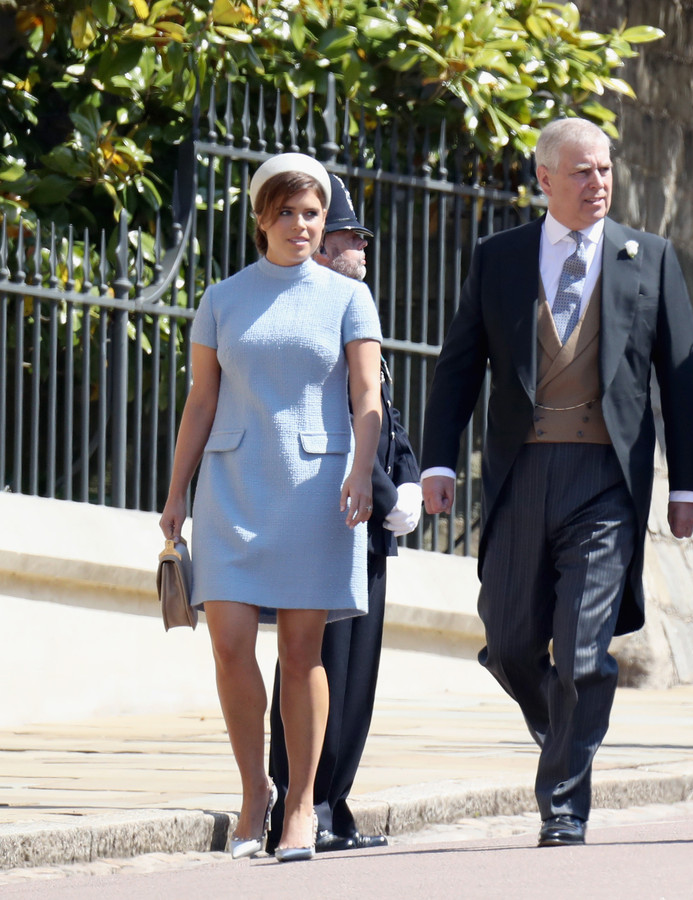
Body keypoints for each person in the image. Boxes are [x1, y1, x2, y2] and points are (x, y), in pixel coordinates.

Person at [420, 118, 693, 848]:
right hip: (522, 472)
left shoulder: (652, 258)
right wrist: (438, 460)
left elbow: (680, 379)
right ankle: (567, 733)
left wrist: (689, 486)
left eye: (606, 170)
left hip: (606, 479)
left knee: (584, 651)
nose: (598, 184)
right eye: (581, 172)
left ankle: (564, 805)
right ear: (544, 179)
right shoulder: (501, 258)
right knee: (512, 644)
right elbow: (457, 365)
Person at [159, 153, 383, 859]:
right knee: (228, 643)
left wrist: (363, 471)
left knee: (299, 649)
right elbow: (200, 401)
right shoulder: (222, 298)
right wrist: (174, 497)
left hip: (317, 490)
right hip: (231, 488)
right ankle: (255, 790)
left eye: (313, 213)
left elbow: (367, 397)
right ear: (262, 218)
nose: (302, 225)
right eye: (287, 212)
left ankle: (300, 806)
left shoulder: (349, 297)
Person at [266, 174, 421, 854]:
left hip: (371, 526)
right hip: (333, 515)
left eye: (358, 235)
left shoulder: (354, 307)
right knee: (312, 663)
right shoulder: (312, 314)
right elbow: (333, 423)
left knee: (356, 678)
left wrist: (409, 480)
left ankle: (334, 801)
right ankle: (299, 803)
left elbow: (383, 415)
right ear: (318, 246)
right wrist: (388, 495)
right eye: (348, 235)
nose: (360, 245)